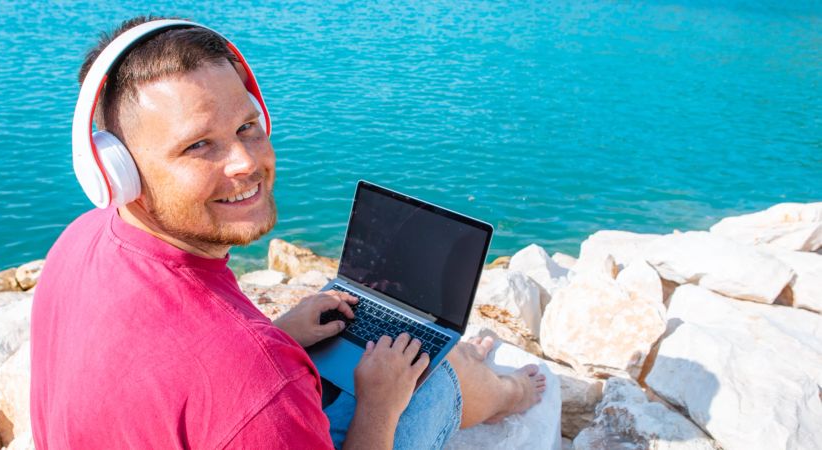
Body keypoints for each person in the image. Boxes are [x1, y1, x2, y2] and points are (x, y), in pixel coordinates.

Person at [30, 16, 546, 449]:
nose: (244, 161)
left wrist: (276, 336)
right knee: (430, 383)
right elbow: (232, 384)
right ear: (119, 172)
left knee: (404, 348)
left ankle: (458, 358)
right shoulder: (256, 384)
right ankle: (512, 394)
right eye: (198, 146)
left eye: (247, 126)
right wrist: (380, 406)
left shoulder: (81, 239)